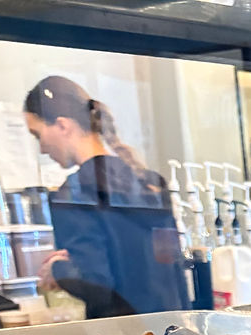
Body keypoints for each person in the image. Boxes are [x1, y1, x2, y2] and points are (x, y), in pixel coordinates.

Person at [24, 76, 191, 317]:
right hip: (169, 331)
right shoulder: (149, 183)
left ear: (62, 125)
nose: (41, 148)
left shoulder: (74, 192)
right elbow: (171, 272)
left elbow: (98, 285)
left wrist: (58, 269)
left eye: (38, 134)